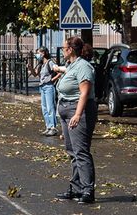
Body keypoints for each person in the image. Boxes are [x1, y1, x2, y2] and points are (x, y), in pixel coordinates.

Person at [54, 35, 97, 203]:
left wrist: (78, 114)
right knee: (72, 151)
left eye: (64, 48)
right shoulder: (71, 66)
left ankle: (88, 190)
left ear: (70, 49)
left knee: (81, 152)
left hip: (78, 110)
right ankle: (76, 187)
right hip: (66, 110)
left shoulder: (83, 67)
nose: (63, 51)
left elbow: (85, 92)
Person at [33, 46, 60, 136]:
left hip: (49, 87)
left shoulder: (50, 62)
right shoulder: (40, 64)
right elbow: (35, 74)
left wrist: (53, 79)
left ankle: (53, 127)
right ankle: (48, 126)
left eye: (38, 53)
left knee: (50, 107)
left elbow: (59, 72)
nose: (37, 55)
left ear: (43, 53)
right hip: (42, 87)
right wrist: (30, 68)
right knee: (44, 108)